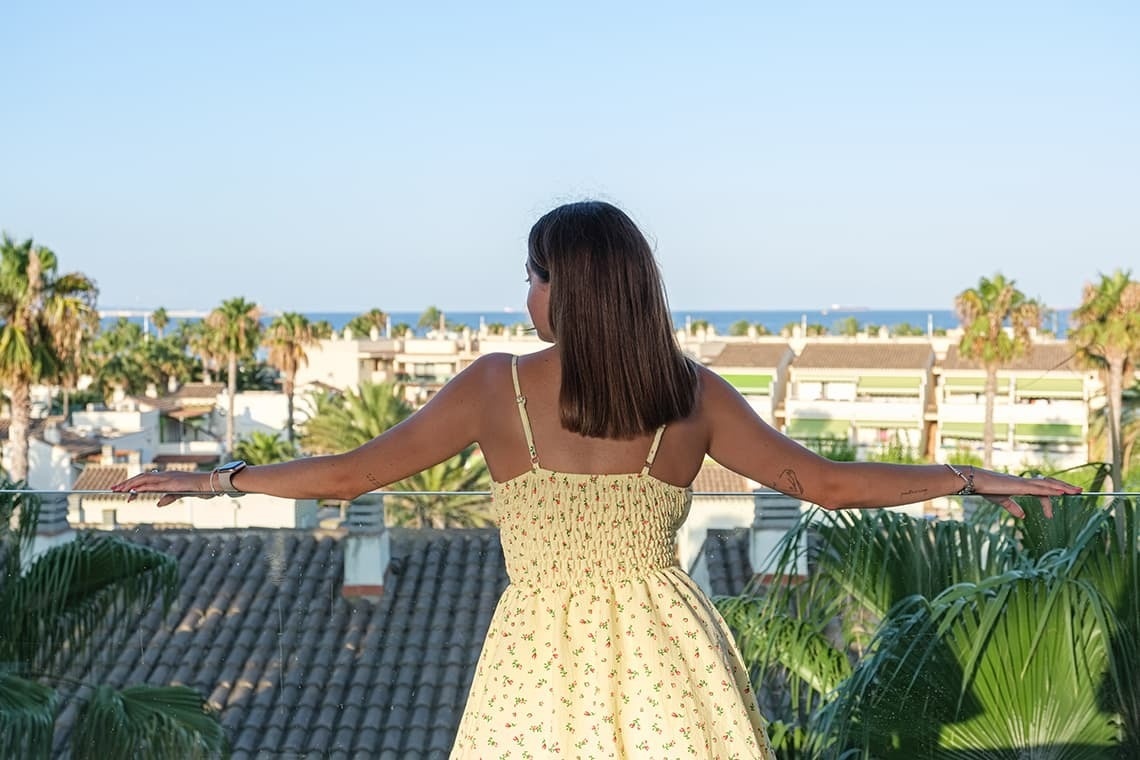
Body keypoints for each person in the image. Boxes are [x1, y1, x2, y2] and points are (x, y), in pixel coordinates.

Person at [114, 200, 1080, 758]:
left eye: (532, 274)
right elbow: (814, 480)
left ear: (567, 286)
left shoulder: (497, 389)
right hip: (672, 649)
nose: (523, 294)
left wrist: (220, 480)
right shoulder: (687, 390)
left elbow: (352, 474)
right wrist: (962, 477)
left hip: (540, 655)